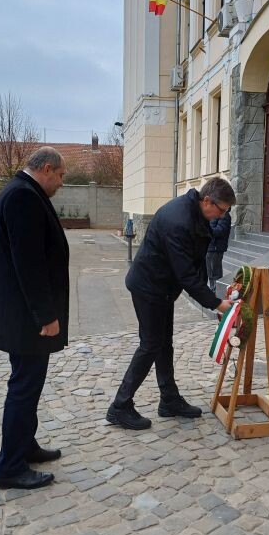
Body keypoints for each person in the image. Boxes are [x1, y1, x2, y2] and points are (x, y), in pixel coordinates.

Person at [106, 177, 236, 430]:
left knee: (164, 344)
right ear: (207, 201)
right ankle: (120, 406)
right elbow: (186, 274)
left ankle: (169, 399)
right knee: (151, 344)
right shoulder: (179, 220)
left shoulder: (193, 212)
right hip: (149, 287)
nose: (221, 216)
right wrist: (216, 304)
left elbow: (193, 262)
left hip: (162, 288)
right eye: (221, 211)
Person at [0, 146, 69, 491]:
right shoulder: (22, 197)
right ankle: (10, 467)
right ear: (46, 169)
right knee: (23, 388)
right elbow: (28, 263)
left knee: (29, 386)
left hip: (24, 315)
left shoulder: (23, 191)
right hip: (26, 318)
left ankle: (25, 446)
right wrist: (46, 315)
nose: (61, 183)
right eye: (60, 175)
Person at [206, 207, 231, 291]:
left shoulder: (225, 216)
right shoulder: (215, 214)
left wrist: (206, 229)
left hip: (217, 247)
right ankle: (213, 288)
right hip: (210, 246)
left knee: (215, 271)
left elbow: (220, 231)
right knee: (210, 271)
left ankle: (217, 291)